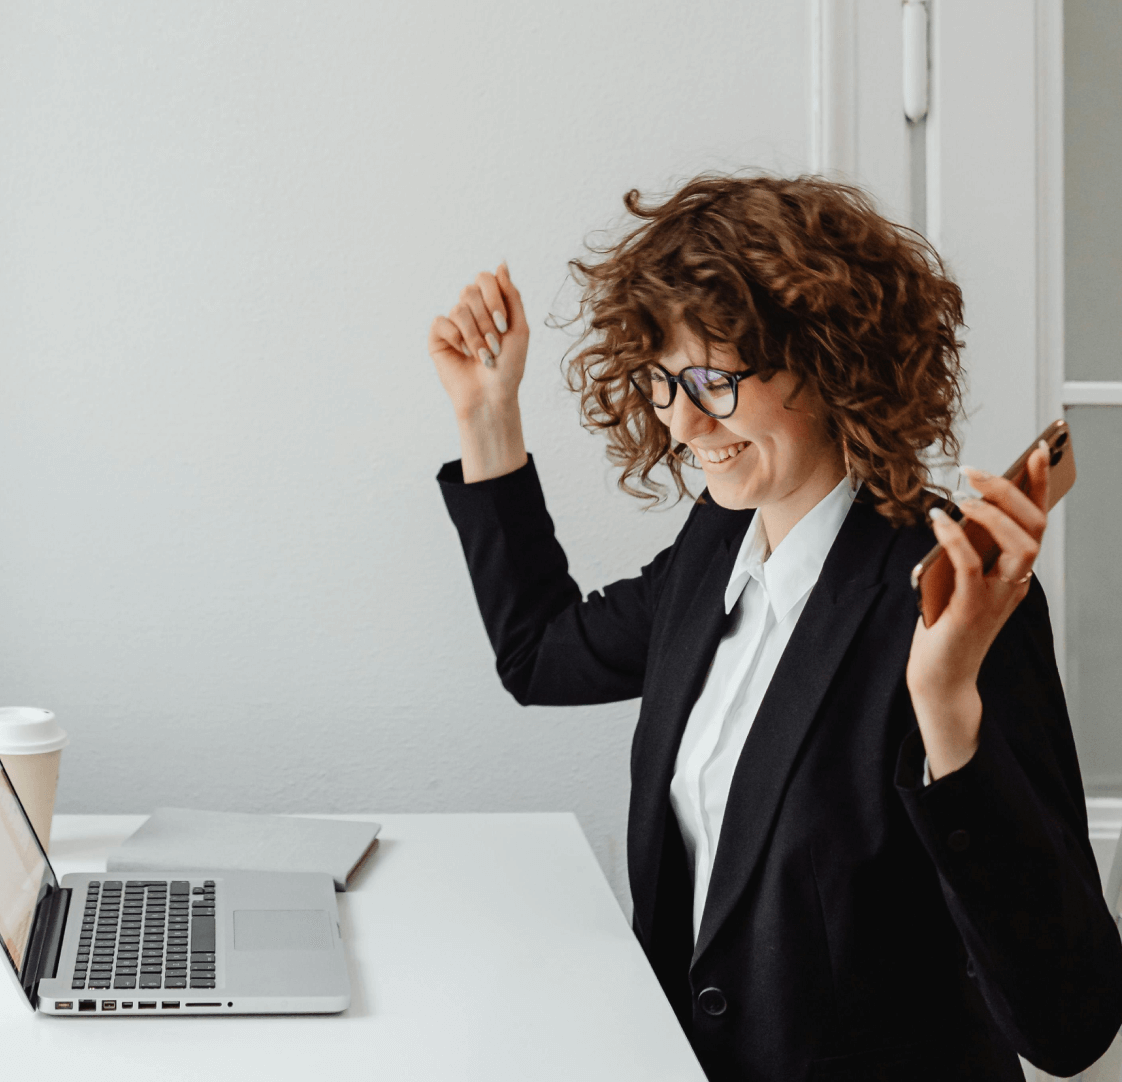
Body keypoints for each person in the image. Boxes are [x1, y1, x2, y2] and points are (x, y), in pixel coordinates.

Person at [425, 173, 1122, 1081]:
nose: (680, 420)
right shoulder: (719, 545)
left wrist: (945, 701)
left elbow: (1069, 1023)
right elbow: (540, 657)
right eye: (662, 380)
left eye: (713, 379)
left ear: (830, 362)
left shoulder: (956, 596)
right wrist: (488, 414)